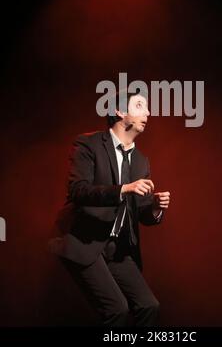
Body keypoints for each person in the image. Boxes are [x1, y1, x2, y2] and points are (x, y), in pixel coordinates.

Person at [49, 91, 170, 326]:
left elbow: (143, 213)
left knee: (149, 305)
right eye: (139, 106)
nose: (147, 113)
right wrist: (124, 189)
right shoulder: (88, 143)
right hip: (84, 239)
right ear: (120, 111)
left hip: (117, 248)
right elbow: (78, 191)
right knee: (117, 310)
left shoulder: (141, 161)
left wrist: (155, 207)